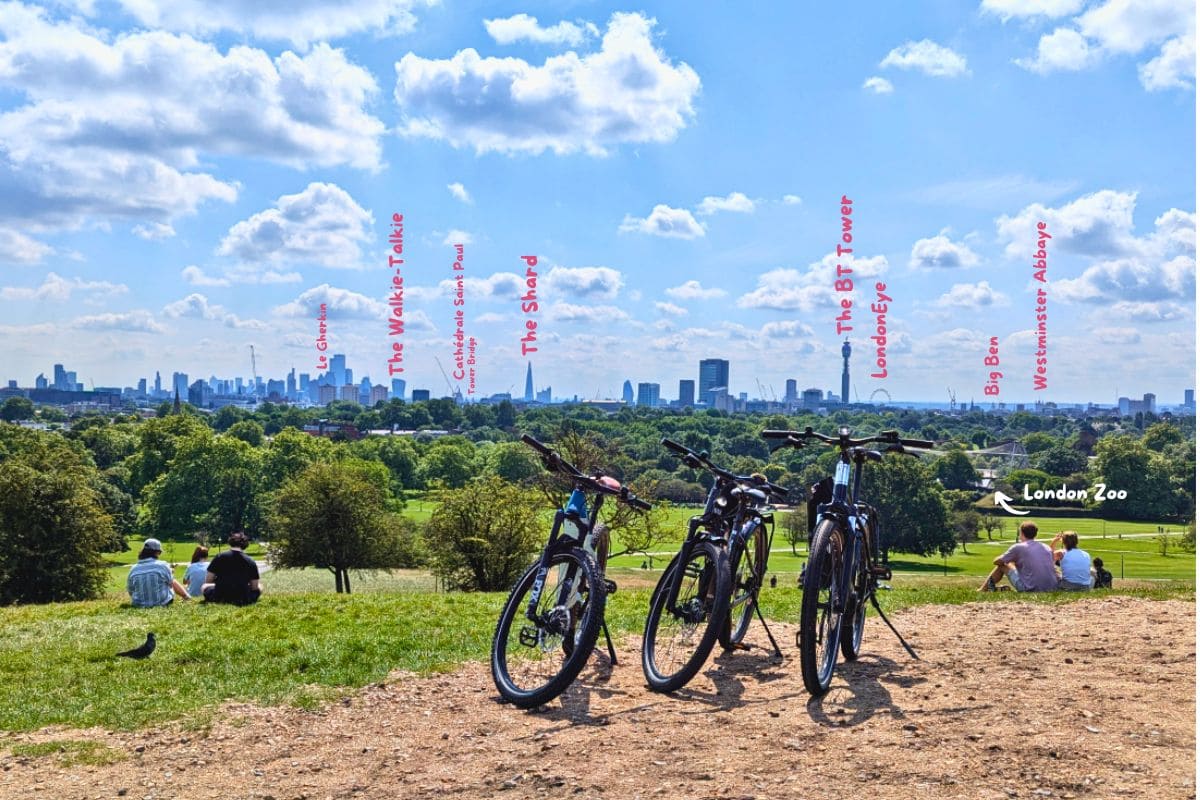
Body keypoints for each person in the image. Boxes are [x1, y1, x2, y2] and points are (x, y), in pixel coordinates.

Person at [978, 521, 1057, 592]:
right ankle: (994, 589)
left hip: (1031, 589)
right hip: (1052, 588)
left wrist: (1007, 559)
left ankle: (982, 590)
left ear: (1021, 533)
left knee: (1003, 565)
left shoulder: (1019, 547)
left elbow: (997, 562)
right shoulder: (1046, 546)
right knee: (1013, 564)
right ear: (1035, 534)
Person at [127, 538, 190, 607]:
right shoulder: (163, 565)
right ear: (157, 552)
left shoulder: (133, 569)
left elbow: (130, 591)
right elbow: (172, 583)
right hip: (162, 603)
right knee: (171, 580)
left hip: (138, 605)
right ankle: (186, 597)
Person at [202, 532, 261, 605]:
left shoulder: (219, 557)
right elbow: (254, 587)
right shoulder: (250, 561)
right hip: (243, 597)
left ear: (230, 542)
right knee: (260, 586)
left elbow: (208, 580)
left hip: (219, 596)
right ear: (245, 544)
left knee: (204, 586)